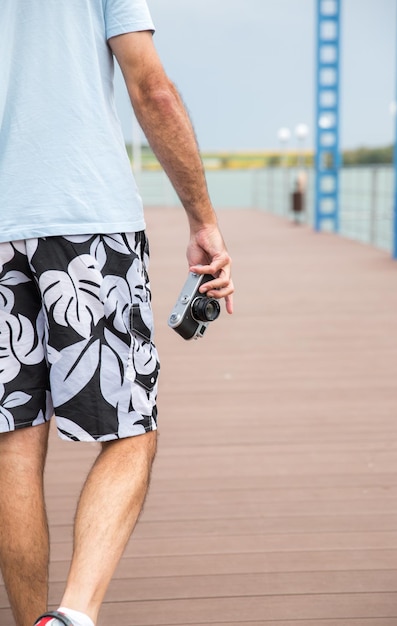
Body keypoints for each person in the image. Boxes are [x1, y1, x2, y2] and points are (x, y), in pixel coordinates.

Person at [0, 1, 234, 626]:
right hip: (84, 219)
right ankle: (72, 617)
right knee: (131, 430)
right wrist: (203, 220)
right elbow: (151, 88)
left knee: (14, 443)